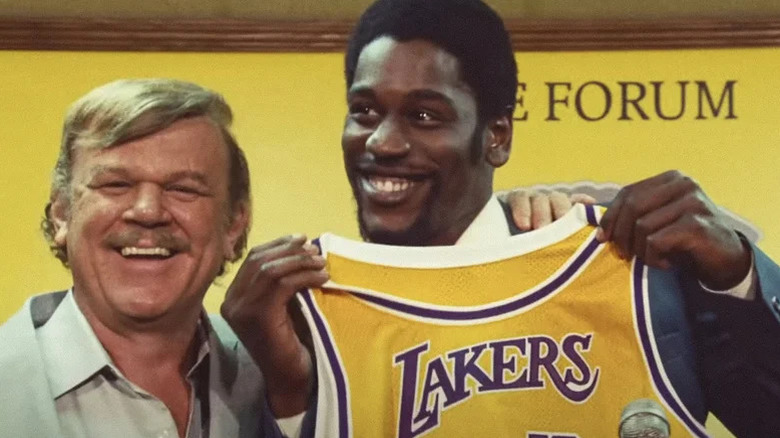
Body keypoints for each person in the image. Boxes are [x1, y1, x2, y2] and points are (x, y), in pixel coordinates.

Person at [220, 0, 780, 437]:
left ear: (496, 136)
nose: (383, 142)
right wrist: (292, 399)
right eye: (364, 111)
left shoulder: (633, 266)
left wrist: (736, 274)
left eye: (423, 115)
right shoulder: (305, 315)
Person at [0, 79, 282, 438]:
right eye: (115, 185)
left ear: (233, 225)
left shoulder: (277, 377)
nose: (148, 211)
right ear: (61, 214)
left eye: (183, 189)